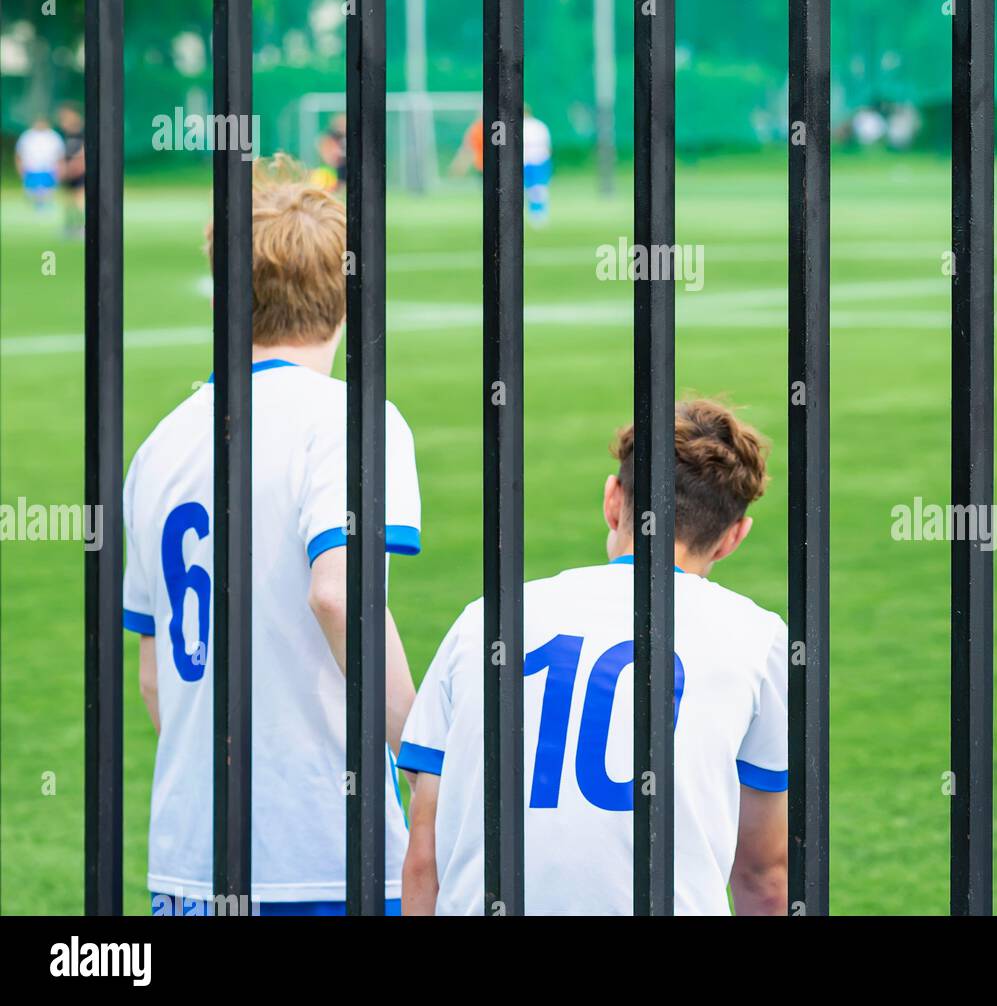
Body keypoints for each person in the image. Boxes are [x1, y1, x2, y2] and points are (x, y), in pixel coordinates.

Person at [123, 156, 422, 916]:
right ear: (350, 296)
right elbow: (338, 593)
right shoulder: (350, 418)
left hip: (193, 856)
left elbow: (154, 675)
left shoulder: (162, 443)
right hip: (324, 853)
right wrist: (423, 756)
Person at [399, 399, 788, 917]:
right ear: (734, 537)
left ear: (613, 500)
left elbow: (424, 858)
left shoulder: (487, 618)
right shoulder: (757, 639)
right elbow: (765, 875)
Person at [14, 115, 65, 210]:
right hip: (31, 169)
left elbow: (60, 155)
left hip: (48, 169)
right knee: (32, 193)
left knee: (47, 194)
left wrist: (60, 170)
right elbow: (19, 154)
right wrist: (20, 168)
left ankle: (43, 209)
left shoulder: (53, 136)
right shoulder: (27, 136)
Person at [55, 102, 86, 236]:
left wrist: (75, 166)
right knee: (68, 201)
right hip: (69, 173)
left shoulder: (83, 132)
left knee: (79, 199)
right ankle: (70, 226)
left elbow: (84, 153)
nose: (63, 122)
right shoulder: (65, 135)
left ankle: (83, 226)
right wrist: (63, 168)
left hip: (80, 173)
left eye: (65, 117)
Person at [522, 106, 553, 227]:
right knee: (530, 188)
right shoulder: (539, 125)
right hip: (530, 161)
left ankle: (539, 213)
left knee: (537, 188)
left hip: (537, 160)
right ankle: (533, 212)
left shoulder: (537, 126)